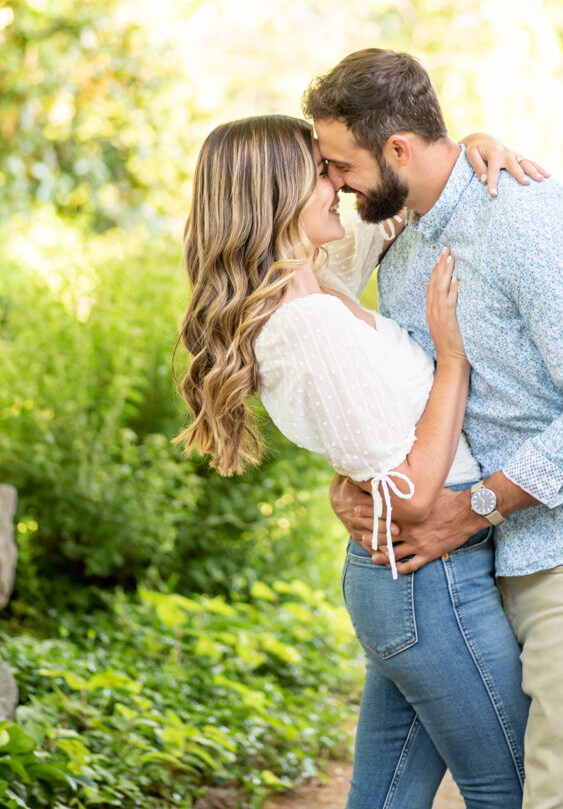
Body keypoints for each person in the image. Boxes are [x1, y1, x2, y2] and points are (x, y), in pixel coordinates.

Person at [303, 48, 563, 809]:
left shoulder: (524, 217)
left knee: (560, 798)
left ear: (398, 149)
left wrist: (472, 506)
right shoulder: (400, 236)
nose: (334, 184)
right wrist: (360, 485)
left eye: (340, 165)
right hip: (488, 556)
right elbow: (390, 387)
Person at [175, 114, 543, 809]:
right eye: (321, 174)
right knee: (513, 786)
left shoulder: (315, 282)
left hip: (410, 582)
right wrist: (452, 362)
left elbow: (404, 183)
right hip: (428, 580)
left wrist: (468, 146)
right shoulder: (305, 321)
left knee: (386, 795)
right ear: (276, 196)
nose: (338, 185)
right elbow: (404, 494)